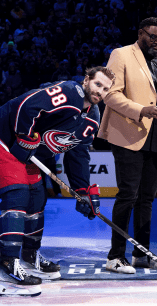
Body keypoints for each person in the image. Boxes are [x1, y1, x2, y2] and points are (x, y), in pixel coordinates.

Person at [0, 66, 115, 294]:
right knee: (18, 194)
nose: (100, 91)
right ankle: (7, 263)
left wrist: (83, 190)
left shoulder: (92, 118)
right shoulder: (69, 91)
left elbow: (78, 153)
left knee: (37, 198)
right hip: (6, 139)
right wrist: (24, 136)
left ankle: (29, 256)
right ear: (86, 81)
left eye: (105, 89)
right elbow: (27, 105)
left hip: (29, 153)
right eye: (97, 84)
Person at [97, 17, 157, 274]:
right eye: (152, 36)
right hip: (128, 134)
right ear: (140, 33)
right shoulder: (120, 55)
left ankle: (141, 253)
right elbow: (110, 94)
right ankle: (115, 256)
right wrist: (141, 109)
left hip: (156, 137)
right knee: (127, 196)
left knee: (147, 199)